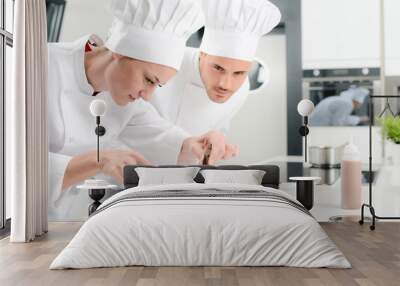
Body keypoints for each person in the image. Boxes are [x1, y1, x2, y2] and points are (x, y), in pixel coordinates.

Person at [48, 0, 235, 220]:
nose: (147, 95)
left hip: (52, 222)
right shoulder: (36, 63)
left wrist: (197, 145)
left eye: (157, 85)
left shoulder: (128, 105)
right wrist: (97, 160)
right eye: (148, 79)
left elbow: (164, 137)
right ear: (119, 51)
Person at [150, 0, 281, 138]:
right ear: (202, 55)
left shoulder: (243, 88)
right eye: (218, 68)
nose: (225, 84)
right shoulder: (168, 62)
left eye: (238, 73)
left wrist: (215, 140)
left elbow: (220, 125)